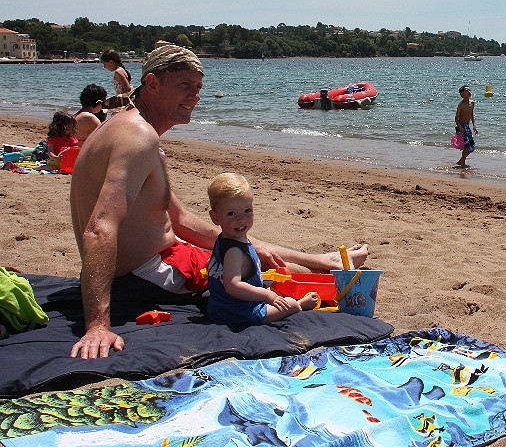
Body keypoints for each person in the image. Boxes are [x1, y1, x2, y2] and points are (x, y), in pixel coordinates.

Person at [69, 45, 368, 359]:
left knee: (244, 249)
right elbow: (100, 228)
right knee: (253, 272)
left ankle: (324, 261)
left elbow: (181, 220)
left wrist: (253, 248)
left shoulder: (127, 128)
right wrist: (98, 325)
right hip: (146, 275)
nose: (195, 96)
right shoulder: (139, 138)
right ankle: (324, 266)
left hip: (157, 260)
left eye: (198, 87)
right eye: (185, 86)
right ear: (153, 83)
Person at [206, 173, 319, 325]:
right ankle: (300, 305)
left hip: (217, 308)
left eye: (247, 211)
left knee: (273, 292)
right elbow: (233, 286)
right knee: (289, 303)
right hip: (239, 313)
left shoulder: (222, 240)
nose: (241, 219)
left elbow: (212, 265)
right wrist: (267, 296)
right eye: (231, 213)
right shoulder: (234, 252)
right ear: (215, 217)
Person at [454, 85, 477, 168]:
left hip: (467, 126)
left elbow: (471, 115)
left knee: (472, 147)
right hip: (461, 127)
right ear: (462, 94)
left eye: (469, 90)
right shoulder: (461, 105)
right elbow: (456, 118)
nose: (469, 92)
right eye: (467, 90)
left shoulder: (472, 103)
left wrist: (474, 126)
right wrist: (460, 127)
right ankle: (462, 163)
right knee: (466, 146)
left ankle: (461, 160)